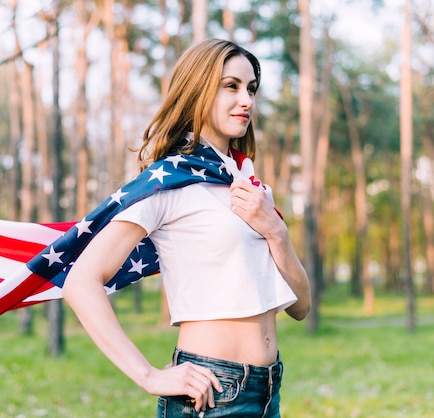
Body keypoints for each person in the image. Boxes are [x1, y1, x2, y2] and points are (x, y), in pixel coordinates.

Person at [62, 38, 311, 418]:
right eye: (231, 86)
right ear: (197, 90)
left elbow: (302, 307)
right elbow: (81, 281)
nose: (247, 100)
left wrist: (275, 231)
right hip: (211, 394)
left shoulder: (249, 186)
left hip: (268, 390)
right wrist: (147, 375)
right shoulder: (168, 182)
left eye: (251, 89)